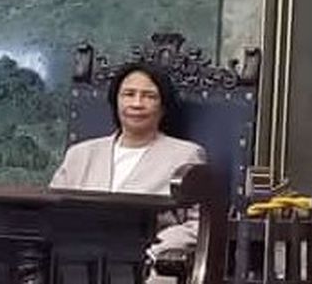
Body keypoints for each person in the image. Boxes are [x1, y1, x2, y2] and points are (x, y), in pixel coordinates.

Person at [49, 62, 206, 276]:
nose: (137, 103)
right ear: (116, 101)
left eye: (149, 96)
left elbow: (200, 224)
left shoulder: (186, 155)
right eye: (128, 94)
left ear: (163, 106)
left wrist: (156, 250)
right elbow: (51, 214)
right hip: (77, 264)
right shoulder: (80, 154)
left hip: (150, 267)